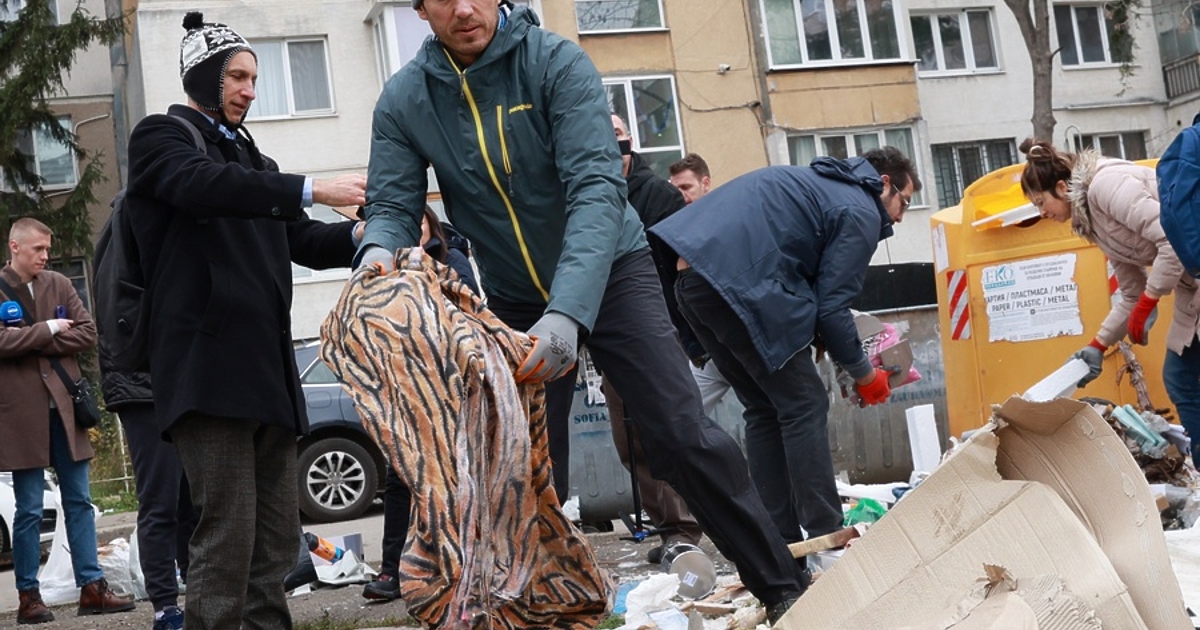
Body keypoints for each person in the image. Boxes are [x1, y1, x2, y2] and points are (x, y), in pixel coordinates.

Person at [358, 0, 809, 622]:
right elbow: (392, 203)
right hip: (517, 296)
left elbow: (597, 189)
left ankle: (781, 584)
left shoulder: (555, 64)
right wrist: (377, 254)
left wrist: (569, 311)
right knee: (518, 462)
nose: (464, 9)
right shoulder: (407, 98)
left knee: (678, 433)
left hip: (614, 273)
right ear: (418, 7)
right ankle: (531, 606)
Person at [123, 12, 367, 629]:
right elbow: (203, 185)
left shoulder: (254, 161)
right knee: (226, 538)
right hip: (208, 373)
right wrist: (313, 186)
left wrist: (368, 234)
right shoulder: (161, 139)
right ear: (203, 74)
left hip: (268, 376)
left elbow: (305, 242)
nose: (250, 91)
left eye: (255, 79)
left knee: (278, 543)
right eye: (238, 76)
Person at [650, 147, 918, 555]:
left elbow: (803, 277)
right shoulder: (860, 208)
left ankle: (780, 542)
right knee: (804, 403)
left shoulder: (820, 187)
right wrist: (866, 376)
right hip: (735, 283)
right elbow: (831, 307)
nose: (900, 217)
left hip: (693, 285)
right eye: (905, 202)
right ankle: (826, 536)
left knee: (765, 409)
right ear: (884, 184)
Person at [1018, 139, 1200, 461]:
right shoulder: (1089, 220)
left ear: (1061, 187)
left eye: (1040, 201)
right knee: (1182, 379)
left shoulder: (1105, 186)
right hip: (1192, 287)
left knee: (1183, 379)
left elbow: (1173, 240)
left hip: (1194, 275)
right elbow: (1130, 291)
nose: (1041, 212)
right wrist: (1097, 346)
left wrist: (1151, 300)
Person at [0, 218, 136, 624]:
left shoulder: (58, 283)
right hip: (20, 416)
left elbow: (88, 333)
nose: (46, 255)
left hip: (65, 409)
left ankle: (92, 587)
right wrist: (48, 329)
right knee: (27, 510)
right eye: (38, 249)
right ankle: (29, 596)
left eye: (48, 248)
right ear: (15, 247)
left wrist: (28, 340)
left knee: (78, 502)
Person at [362, 206, 480, 602]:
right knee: (399, 478)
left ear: (431, 225)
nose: (411, 231)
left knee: (456, 473)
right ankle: (393, 569)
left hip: (447, 385)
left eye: (419, 222)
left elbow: (468, 311)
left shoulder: (451, 260)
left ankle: (462, 565)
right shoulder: (380, 265)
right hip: (401, 385)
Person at [605, 115, 703, 565]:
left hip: (659, 329)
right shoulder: (590, 191)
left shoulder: (658, 197)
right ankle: (670, 526)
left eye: (617, 141)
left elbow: (682, 268)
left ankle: (685, 527)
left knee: (669, 429)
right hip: (611, 332)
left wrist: (682, 331)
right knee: (630, 441)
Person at [97, 365, 198, 630]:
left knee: (193, 503)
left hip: (182, 385)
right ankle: (165, 609)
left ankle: (200, 596)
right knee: (160, 503)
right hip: (143, 390)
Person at [666, 153, 731, 416]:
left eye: (686, 187)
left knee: (769, 411)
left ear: (706, 183)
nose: (680, 196)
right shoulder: (674, 230)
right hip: (705, 350)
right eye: (675, 189)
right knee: (682, 419)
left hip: (740, 341)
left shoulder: (727, 223)